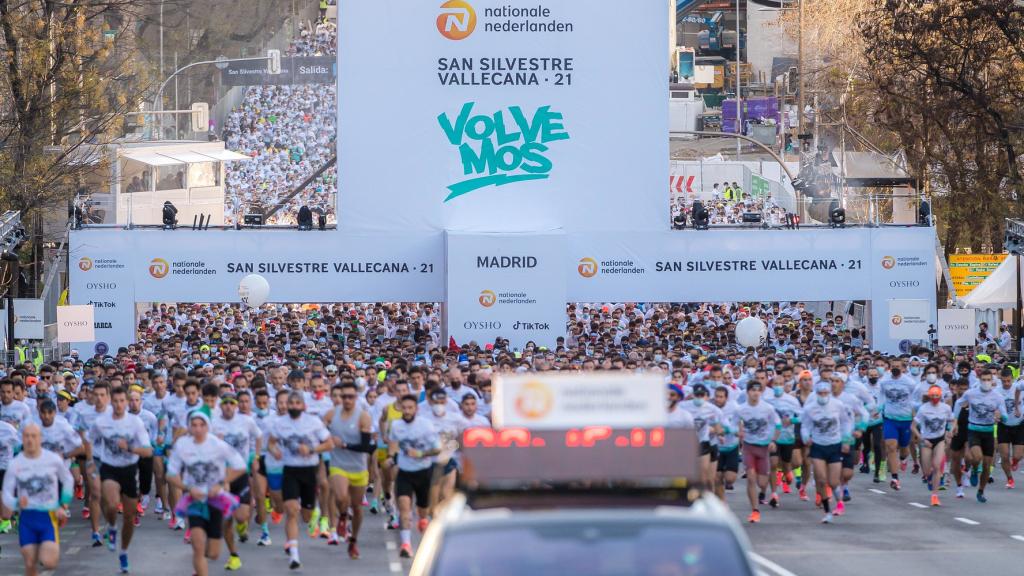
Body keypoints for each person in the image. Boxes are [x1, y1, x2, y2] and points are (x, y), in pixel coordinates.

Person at [166, 411, 246, 576]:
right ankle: (200, 569)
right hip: (194, 500)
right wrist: (188, 488)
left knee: (213, 553)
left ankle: (200, 567)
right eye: (194, 425)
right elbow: (170, 474)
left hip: (215, 500)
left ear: (208, 427)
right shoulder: (182, 445)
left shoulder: (217, 445)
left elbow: (240, 466)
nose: (198, 429)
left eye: (201, 425)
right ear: (189, 427)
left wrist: (221, 483)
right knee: (198, 544)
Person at [86, 385, 152, 573]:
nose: (119, 404)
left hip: (129, 469)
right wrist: (91, 461)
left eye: (122, 401)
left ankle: (123, 552)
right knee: (112, 504)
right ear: (109, 401)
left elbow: (148, 451)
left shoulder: (135, 423)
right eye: (115, 401)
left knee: (130, 517)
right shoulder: (101, 422)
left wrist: (130, 448)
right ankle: (112, 526)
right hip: (109, 468)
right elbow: (89, 440)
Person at [267, 391, 332, 569]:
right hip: (290, 470)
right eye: (291, 403)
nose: (294, 406)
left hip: (309, 471)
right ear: (287, 406)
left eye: (297, 403)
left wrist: (311, 449)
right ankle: (294, 555)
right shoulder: (280, 424)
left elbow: (329, 443)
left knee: (305, 515)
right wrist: (275, 452)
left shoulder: (313, 422)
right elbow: (271, 443)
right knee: (291, 510)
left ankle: (314, 512)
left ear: (303, 406)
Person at [1, 423, 73, 576]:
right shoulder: (15, 464)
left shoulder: (52, 460)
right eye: (26, 436)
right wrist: (15, 503)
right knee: (29, 563)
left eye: (34, 436)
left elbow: (67, 480)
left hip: (48, 516)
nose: (30, 440)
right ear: (22, 439)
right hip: (27, 518)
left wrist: (64, 504)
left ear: (40, 438)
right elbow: (6, 492)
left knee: (49, 562)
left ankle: (45, 545)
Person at [211, 392, 262, 571]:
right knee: (226, 519)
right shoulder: (214, 424)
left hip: (240, 473)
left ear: (236, 405)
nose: (228, 406)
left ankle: (242, 527)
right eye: (225, 403)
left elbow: (259, 436)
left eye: (232, 403)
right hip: (221, 475)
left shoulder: (246, 421)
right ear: (221, 406)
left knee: (241, 516)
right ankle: (234, 556)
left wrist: (254, 456)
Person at [324, 381, 374, 557]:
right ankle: (343, 516)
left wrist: (343, 445)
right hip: (338, 465)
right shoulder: (330, 415)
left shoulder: (363, 417)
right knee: (340, 495)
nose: (346, 400)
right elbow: (320, 435)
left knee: (358, 508)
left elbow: (365, 447)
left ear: (356, 397)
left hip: (358, 467)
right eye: (343, 396)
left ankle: (353, 541)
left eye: (350, 396)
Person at [388, 394, 440, 557]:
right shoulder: (396, 425)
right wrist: (393, 458)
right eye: (405, 408)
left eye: (411, 408)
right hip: (405, 473)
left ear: (416, 409)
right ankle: (406, 544)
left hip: (424, 472)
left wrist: (420, 453)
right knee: (405, 509)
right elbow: (393, 445)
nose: (407, 411)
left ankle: (423, 521)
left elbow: (438, 448)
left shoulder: (426, 426)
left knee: (423, 511)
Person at [801, 381, 853, 524]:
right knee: (822, 480)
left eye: (825, 393)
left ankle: (839, 501)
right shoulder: (810, 408)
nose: (823, 396)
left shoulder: (837, 405)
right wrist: (806, 437)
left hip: (835, 445)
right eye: (820, 393)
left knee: (834, 481)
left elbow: (846, 422)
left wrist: (846, 439)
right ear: (816, 394)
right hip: (817, 445)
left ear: (829, 393)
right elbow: (804, 425)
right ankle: (827, 511)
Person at [953, 370, 1003, 503]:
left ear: (992, 381)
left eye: (988, 380)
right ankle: (974, 469)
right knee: (977, 457)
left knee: (987, 465)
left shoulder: (997, 396)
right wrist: (954, 421)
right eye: (984, 380)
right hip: (974, 429)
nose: (986, 382)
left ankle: (981, 491)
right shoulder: (971, 394)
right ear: (979, 380)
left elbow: (1004, 414)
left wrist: (1000, 415)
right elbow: (958, 404)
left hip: (988, 431)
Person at [736, 382, 780, 523]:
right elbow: (734, 423)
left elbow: (777, 424)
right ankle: (755, 511)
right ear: (748, 392)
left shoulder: (768, 408)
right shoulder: (741, 409)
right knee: (751, 478)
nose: (755, 393)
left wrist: (773, 440)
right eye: (753, 390)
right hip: (748, 447)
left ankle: (763, 492)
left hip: (763, 447)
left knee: (762, 482)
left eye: (758, 390)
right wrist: (739, 432)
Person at [912, 386, 953, 506]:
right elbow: (913, 426)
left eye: (937, 395)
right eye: (933, 396)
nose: (935, 398)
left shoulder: (945, 408)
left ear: (940, 396)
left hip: (939, 440)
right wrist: (921, 439)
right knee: (926, 470)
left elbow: (952, 420)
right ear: (929, 396)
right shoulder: (923, 409)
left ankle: (935, 495)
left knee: (936, 466)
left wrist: (950, 431)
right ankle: (928, 476)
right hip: (926, 440)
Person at [879, 362, 916, 490]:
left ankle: (903, 458)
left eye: (898, 366)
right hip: (890, 418)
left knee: (904, 448)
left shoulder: (909, 383)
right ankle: (895, 478)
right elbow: (880, 397)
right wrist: (878, 409)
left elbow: (915, 399)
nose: (895, 368)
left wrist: (915, 415)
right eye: (893, 366)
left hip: (906, 419)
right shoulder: (884, 381)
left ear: (903, 368)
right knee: (891, 446)